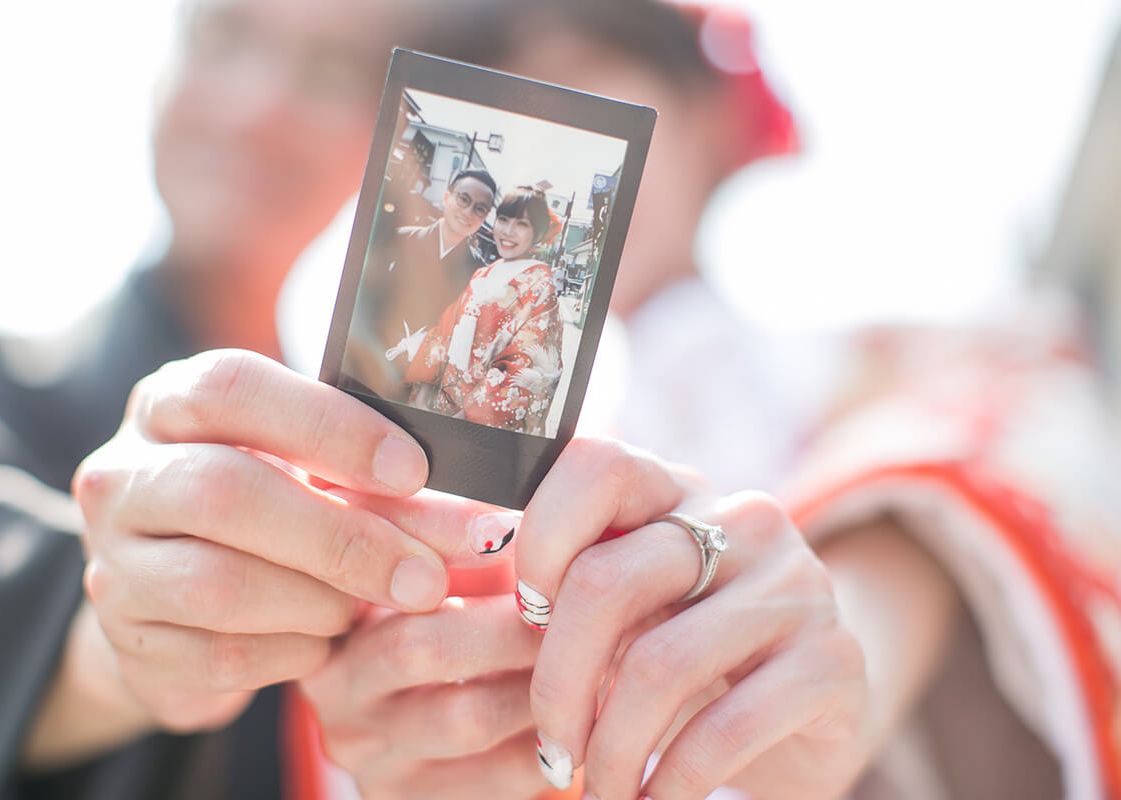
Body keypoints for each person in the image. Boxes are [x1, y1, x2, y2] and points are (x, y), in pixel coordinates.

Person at [274, 1, 1121, 798]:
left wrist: (850, 624)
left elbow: (1001, 462)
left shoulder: (905, 367)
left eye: (574, 79)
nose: (537, 144)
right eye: (494, 101)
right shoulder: (424, 446)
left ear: (706, 115)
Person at [0, 1, 513, 798]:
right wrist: (111, 648)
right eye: (223, 36)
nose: (255, 105)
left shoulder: (436, 477)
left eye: (334, 74)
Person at [404, 186, 563, 434]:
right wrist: (424, 392)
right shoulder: (483, 273)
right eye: (503, 219)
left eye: (521, 224)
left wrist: (466, 415)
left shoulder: (539, 282)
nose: (508, 232)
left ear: (538, 233)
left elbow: (527, 360)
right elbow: (445, 330)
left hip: (478, 419)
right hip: (442, 405)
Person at [343, 168, 497, 401]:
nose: (468, 211)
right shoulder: (400, 239)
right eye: (463, 199)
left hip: (424, 388)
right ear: (447, 197)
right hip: (368, 369)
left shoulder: (480, 276)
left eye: (479, 208)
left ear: (485, 218)